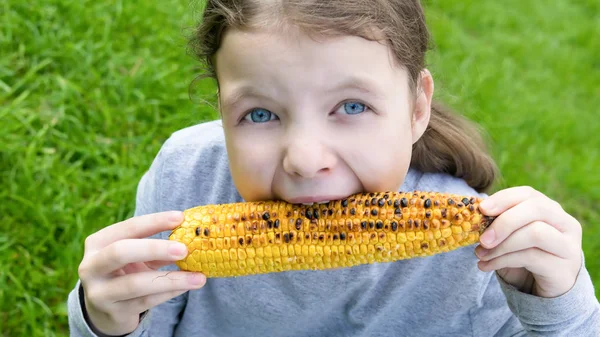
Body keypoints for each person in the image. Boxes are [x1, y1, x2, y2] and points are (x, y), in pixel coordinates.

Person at [67, 0, 600, 336]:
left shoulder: (479, 255)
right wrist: (106, 320)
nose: (304, 159)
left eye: (351, 107)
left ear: (417, 108)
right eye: (259, 114)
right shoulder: (185, 177)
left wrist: (560, 309)